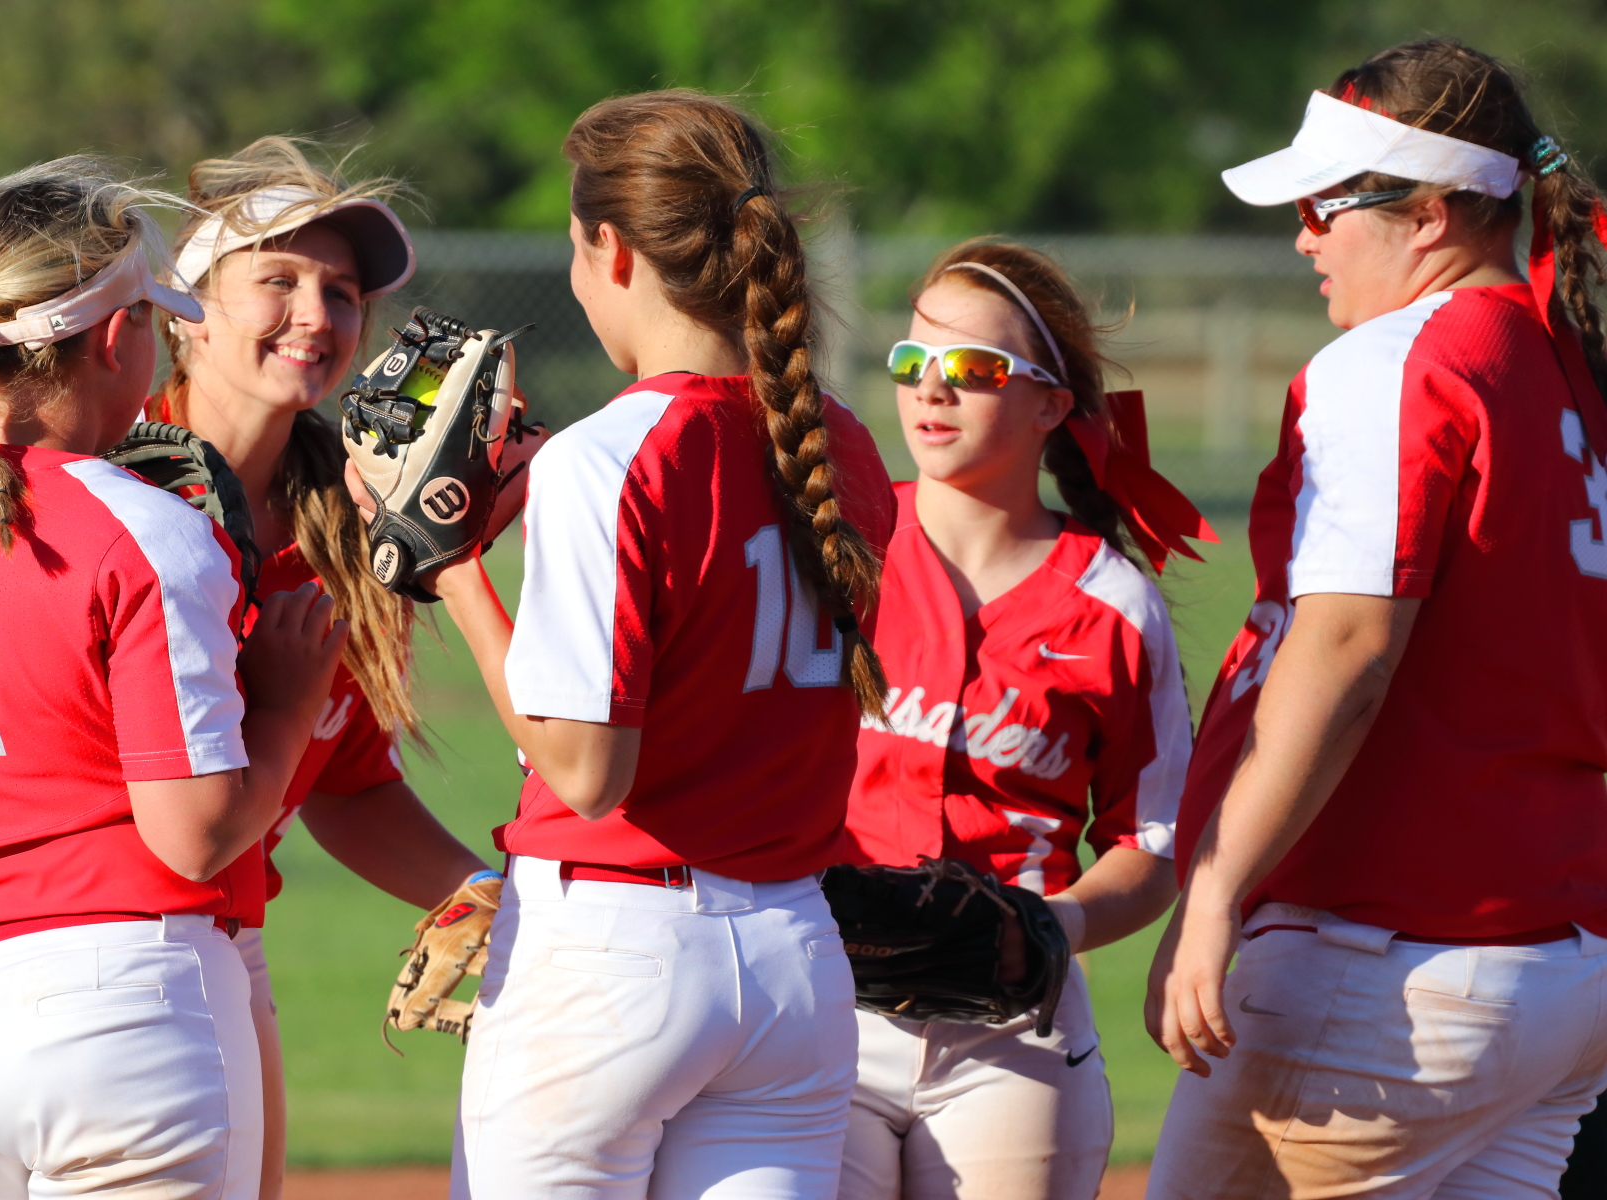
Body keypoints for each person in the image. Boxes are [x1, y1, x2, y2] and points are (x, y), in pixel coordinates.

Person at [392, 90, 895, 1199]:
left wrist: (457, 568)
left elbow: (586, 772)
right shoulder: (843, 446)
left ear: (611, 249)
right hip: (792, 959)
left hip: (615, 951)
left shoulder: (609, 454)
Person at [1145, 39, 1607, 1198]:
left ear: (1439, 214)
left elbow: (1346, 649)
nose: (1303, 234)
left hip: (1391, 960)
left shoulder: (1400, 360)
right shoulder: (1563, 373)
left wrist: (1215, 887)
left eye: (1326, 203)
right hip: (1557, 959)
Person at [0, 157, 346, 1199]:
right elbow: (194, 834)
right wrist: (289, 704)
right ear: (117, 338)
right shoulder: (147, 528)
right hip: (112, 1001)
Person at [154, 135, 492, 1200]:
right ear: (183, 312)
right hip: (92, 939)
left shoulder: (347, 531)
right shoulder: (116, 492)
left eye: (341, 292)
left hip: (224, 941)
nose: (317, 313)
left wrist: (489, 897)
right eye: (279, 280)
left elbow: (344, 786)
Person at [837, 240, 1203, 1200]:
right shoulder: (840, 554)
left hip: (1012, 1032)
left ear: (1051, 405)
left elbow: (1151, 845)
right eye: (914, 364)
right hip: (825, 1010)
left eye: (976, 370)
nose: (934, 390)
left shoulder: (1113, 604)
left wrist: (1050, 925)